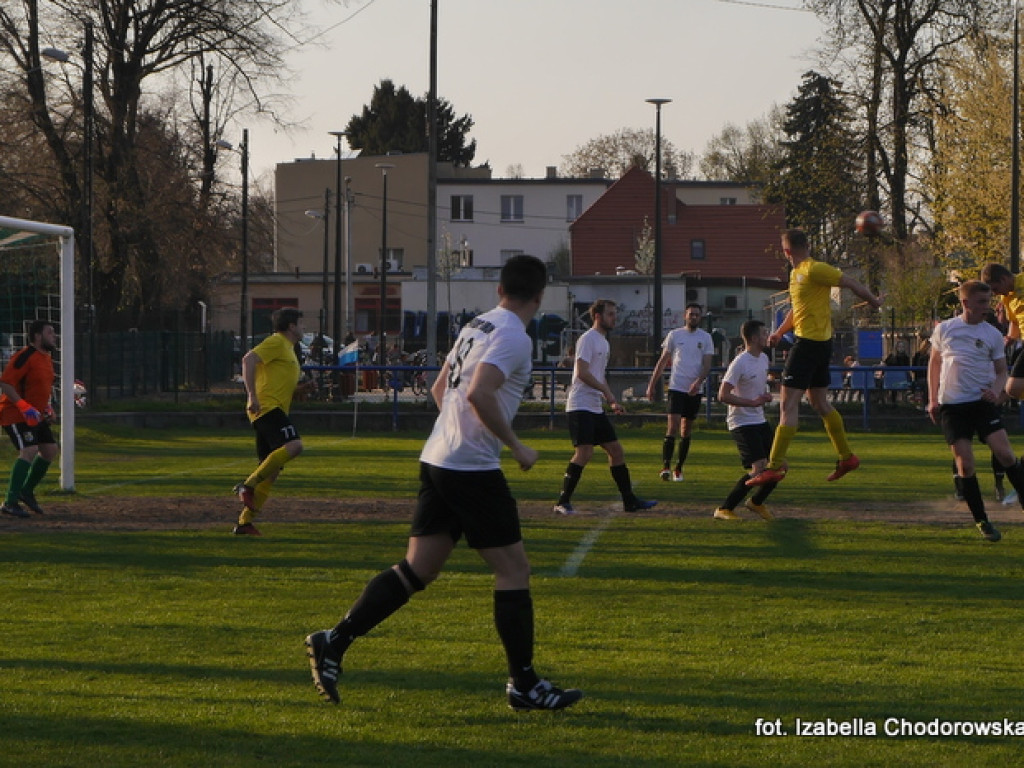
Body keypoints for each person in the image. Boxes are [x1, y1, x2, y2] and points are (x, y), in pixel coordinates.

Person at [303, 255, 583, 711]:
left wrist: (456, 434)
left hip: (438, 457)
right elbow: (478, 392)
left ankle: (335, 640)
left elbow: (440, 390)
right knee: (513, 570)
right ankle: (524, 684)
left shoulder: (478, 325)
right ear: (540, 294)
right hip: (470, 468)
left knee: (419, 569)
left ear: (499, 290)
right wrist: (515, 446)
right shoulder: (514, 335)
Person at [748, 228, 883, 488]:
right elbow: (798, 311)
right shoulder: (797, 274)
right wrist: (778, 332)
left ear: (786, 251)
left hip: (809, 345)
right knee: (820, 403)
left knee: (787, 406)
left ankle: (773, 467)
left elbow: (851, 283)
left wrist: (875, 303)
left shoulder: (813, 269)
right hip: (819, 345)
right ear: (805, 244)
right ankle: (846, 457)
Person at [928, 280, 1024, 542]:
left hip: (981, 403)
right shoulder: (946, 330)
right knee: (965, 465)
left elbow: (1002, 370)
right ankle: (982, 520)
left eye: (989, 301)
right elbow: (934, 363)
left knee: (1005, 454)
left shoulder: (992, 333)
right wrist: (932, 399)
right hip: (952, 406)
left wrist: (996, 390)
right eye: (982, 302)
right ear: (965, 303)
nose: (988, 307)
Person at [552, 299, 656, 515]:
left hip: (594, 406)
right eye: (610, 314)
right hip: (580, 404)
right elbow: (582, 373)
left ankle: (630, 501)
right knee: (584, 453)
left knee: (616, 451)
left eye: (614, 313)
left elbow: (599, 376)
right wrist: (607, 393)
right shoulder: (588, 339)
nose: (614, 318)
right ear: (598, 316)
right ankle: (562, 501)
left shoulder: (604, 342)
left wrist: (612, 400)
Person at [232, 307, 305, 536]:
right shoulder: (277, 342)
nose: (304, 329)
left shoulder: (289, 349)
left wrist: (301, 391)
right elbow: (248, 359)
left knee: (271, 471)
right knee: (294, 446)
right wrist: (252, 395)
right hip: (266, 406)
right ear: (291, 326)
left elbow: (277, 381)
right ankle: (247, 485)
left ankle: (244, 524)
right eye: (301, 324)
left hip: (273, 407)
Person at [712, 319, 778, 521]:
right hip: (742, 422)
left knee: (778, 465)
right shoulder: (739, 362)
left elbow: (757, 390)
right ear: (754, 338)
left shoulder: (764, 358)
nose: (767, 335)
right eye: (764, 332)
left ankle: (756, 503)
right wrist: (752, 403)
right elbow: (722, 395)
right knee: (758, 469)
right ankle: (725, 509)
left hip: (759, 420)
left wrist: (765, 395)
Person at [645, 303, 714, 482]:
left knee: (686, 429)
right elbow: (662, 361)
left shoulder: (706, 338)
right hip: (677, 387)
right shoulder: (675, 335)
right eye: (691, 314)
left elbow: (707, 365)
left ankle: (679, 468)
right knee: (673, 426)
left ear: (700, 317)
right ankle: (666, 466)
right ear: (685, 316)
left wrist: (698, 382)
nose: (694, 317)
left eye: (697, 315)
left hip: (694, 390)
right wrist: (651, 385)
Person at [0, 320, 58, 518]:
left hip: (36, 414)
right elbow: (5, 383)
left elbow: (41, 388)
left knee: (50, 450)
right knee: (29, 450)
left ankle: (26, 491)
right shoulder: (25, 356)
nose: (54, 336)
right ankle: (9, 501)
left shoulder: (47, 358)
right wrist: (23, 406)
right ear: (37, 336)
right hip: (15, 413)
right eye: (50, 333)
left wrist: (48, 408)